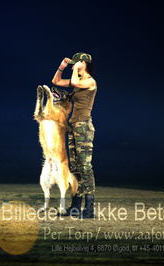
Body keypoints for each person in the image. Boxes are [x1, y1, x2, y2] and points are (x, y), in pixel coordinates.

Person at [52, 52, 97, 219]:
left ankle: (90, 208)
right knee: (75, 168)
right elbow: (56, 82)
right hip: (73, 126)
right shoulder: (78, 83)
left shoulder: (90, 81)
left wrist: (74, 70)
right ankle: (76, 206)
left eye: (77, 63)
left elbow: (74, 81)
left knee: (86, 167)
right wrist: (61, 67)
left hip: (83, 127)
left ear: (84, 64)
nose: (74, 66)